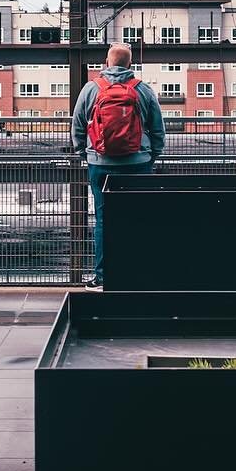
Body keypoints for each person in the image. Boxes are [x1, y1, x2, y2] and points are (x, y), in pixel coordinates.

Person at [70, 44, 165, 290]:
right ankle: (138, 274)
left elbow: (78, 125)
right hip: (138, 162)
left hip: (100, 163)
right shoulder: (143, 90)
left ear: (106, 63)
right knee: (137, 218)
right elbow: (157, 128)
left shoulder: (91, 89)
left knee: (103, 219)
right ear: (130, 65)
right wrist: (151, 154)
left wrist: (85, 152)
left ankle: (102, 277)